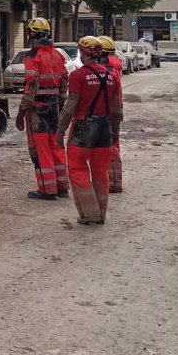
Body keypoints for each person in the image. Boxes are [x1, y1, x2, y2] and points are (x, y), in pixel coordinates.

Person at [55, 36, 121, 225]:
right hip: (105, 128)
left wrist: (60, 132)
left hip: (84, 127)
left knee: (77, 169)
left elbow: (70, 107)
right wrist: (114, 134)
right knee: (100, 172)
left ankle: (89, 212)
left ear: (83, 53)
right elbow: (116, 110)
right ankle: (101, 213)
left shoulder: (78, 75)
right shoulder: (112, 76)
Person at [16, 17, 70, 200]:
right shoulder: (57, 55)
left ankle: (47, 189)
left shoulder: (33, 56)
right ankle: (62, 186)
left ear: (32, 35)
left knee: (41, 149)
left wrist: (22, 110)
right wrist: (60, 104)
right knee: (56, 145)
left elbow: (32, 84)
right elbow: (64, 81)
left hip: (38, 108)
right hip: (54, 107)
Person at [97, 35, 126, 193]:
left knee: (109, 147)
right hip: (115, 111)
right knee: (113, 145)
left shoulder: (107, 71)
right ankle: (113, 180)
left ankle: (113, 182)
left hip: (108, 112)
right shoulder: (114, 69)